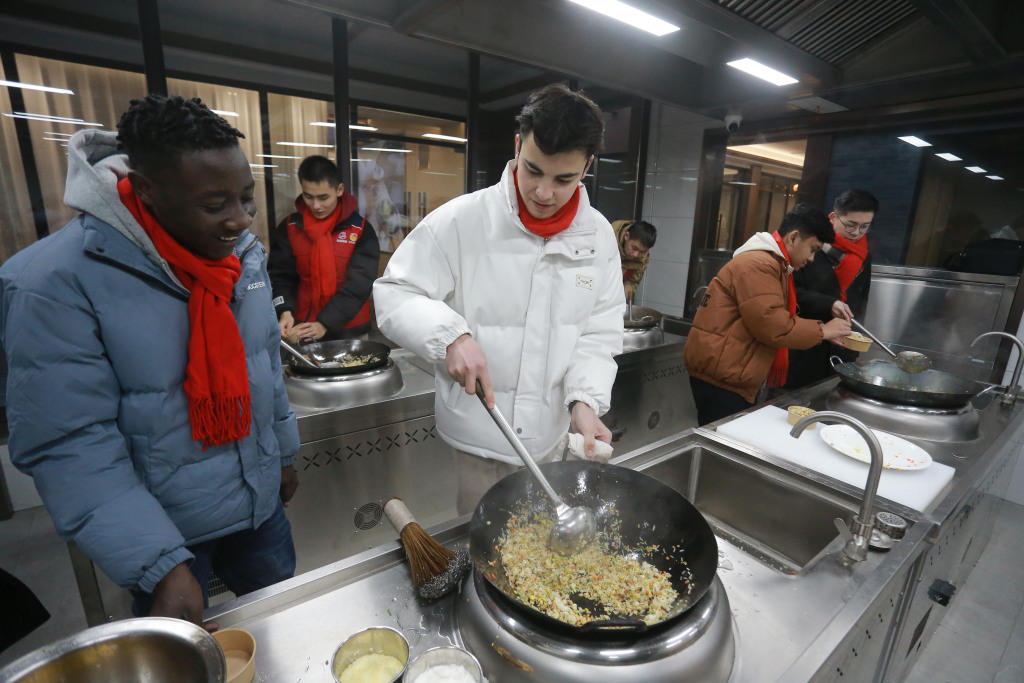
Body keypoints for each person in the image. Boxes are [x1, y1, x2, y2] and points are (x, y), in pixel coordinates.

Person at [0, 95, 301, 629]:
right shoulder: (53, 284)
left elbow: (263, 367)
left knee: (282, 629)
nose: (239, 220)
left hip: (259, 511)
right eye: (215, 205)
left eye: (247, 198)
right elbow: (70, 441)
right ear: (146, 191)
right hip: (167, 532)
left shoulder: (238, 258)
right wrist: (158, 564)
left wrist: (281, 455)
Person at [374, 84, 624, 514]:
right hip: (481, 433)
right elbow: (396, 292)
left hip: (550, 435)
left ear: (588, 166)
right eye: (533, 171)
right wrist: (451, 336)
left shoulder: (598, 236)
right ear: (517, 145)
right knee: (483, 541)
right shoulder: (462, 220)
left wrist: (585, 401)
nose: (544, 193)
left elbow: (598, 332)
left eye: (563, 179)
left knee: (542, 546)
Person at [684, 204, 851, 426]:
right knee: (721, 442)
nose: (811, 259)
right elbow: (772, 325)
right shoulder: (760, 264)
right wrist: (822, 330)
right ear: (793, 238)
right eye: (813, 249)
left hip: (727, 370)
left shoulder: (773, 263)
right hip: (723, 376)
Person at [269, 155, 379, 341]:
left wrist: (325, 323)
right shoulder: (290, 228)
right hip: (303, 327)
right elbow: (281, 276)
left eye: (323, 197)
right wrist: (285, 310)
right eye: (308, 197)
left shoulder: (360, 230)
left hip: (350, 330)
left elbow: (359, 286)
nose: (316, 206)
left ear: (339, 190)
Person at [785, 190, 879, 390]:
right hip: (803, 344)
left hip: (842, 348)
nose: (857, 233)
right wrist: (829, 304)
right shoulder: (810, 243)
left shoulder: (863, 256)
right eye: (851, 225)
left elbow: (861, 299)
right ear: (834, 217)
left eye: (865, 227)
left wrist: (854, 339)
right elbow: (789, 292)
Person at [613, 219, 657, 302]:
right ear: (626, 236)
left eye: (642, 251)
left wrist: (619, 297)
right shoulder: (608, 238)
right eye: (634, 248)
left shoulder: (642, 260)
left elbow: (632, 282)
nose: (636, 255)